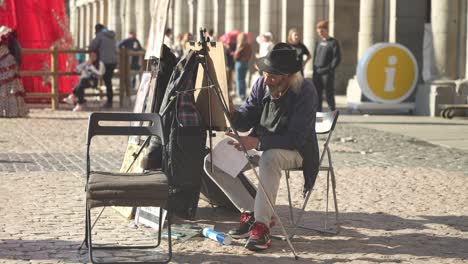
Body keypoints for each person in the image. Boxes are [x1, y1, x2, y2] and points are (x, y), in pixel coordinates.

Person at [226, 43, 319, 251]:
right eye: (266, 73)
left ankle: (262, 227)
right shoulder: (261, 84)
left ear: (288, 76)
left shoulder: (305, 90)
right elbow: (246, 119)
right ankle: (252, 212)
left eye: (273, 76)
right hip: (262, 144)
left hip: (298, 151)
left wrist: (258, 143)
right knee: (214, 162)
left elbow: (297, 137)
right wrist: (232, 113)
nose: (267, 79)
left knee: (270, 157)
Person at [0, 26, 28, 117]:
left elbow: (17, 49)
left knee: (10, 88)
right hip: (2, 64)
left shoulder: (7, 35)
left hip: (8, 64)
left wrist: (17, 62)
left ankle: (12, 111)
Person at [313, 20, 341, 111]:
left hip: (327, 73)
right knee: (317, 94)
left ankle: (332, 112)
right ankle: (318, 113)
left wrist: (330, 69)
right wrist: (314, 69)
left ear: (326, 30)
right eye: (318, 32)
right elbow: (315, 56)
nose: (320, 33)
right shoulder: (319, 42)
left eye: (322, 31)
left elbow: (337, 58)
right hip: (317, 72)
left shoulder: (333, 42)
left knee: (329, 93)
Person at [90, 24, 117, 108]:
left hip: (104, 61)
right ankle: (109, 100)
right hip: (113, 61)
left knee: (105, 79)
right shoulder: (111, 35)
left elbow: (93, 46)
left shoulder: (100, 35)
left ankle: (108, 101)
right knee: (108, 81)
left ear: (97, 30)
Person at [233, 32, 252, 100]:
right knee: (243, 79)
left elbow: (236, 55)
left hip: (239, 63)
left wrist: (235, 53)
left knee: (239, 79)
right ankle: (243, 94)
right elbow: (250, 54)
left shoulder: (240, 45)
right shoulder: (248, 45)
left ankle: (240, 95)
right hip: (245, 63)